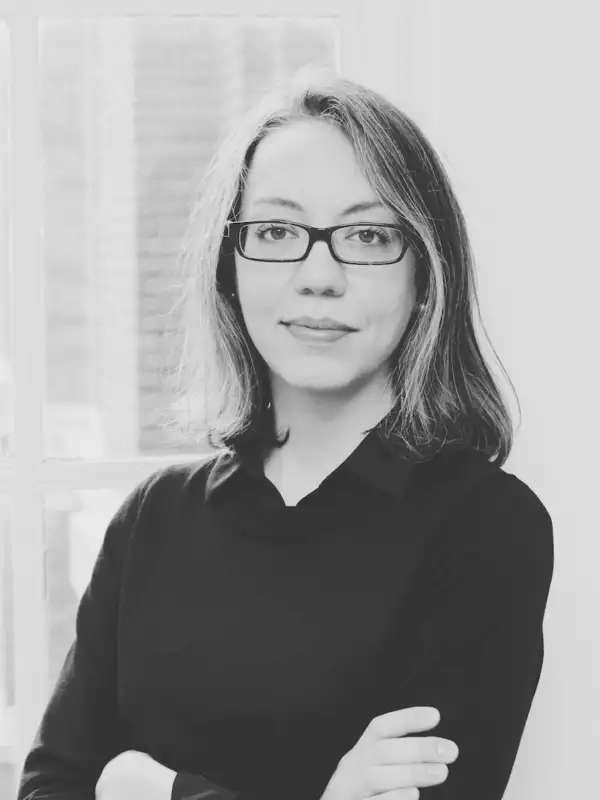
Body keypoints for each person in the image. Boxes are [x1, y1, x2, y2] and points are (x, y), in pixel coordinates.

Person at [16, 67, 554, 800]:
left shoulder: (488, 527)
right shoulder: (152, 520)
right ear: (229, 266)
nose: (318, 273)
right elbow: (52, 788)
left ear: (426, 273)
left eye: (366, 235)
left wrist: (151, 787)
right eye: (276, 231)